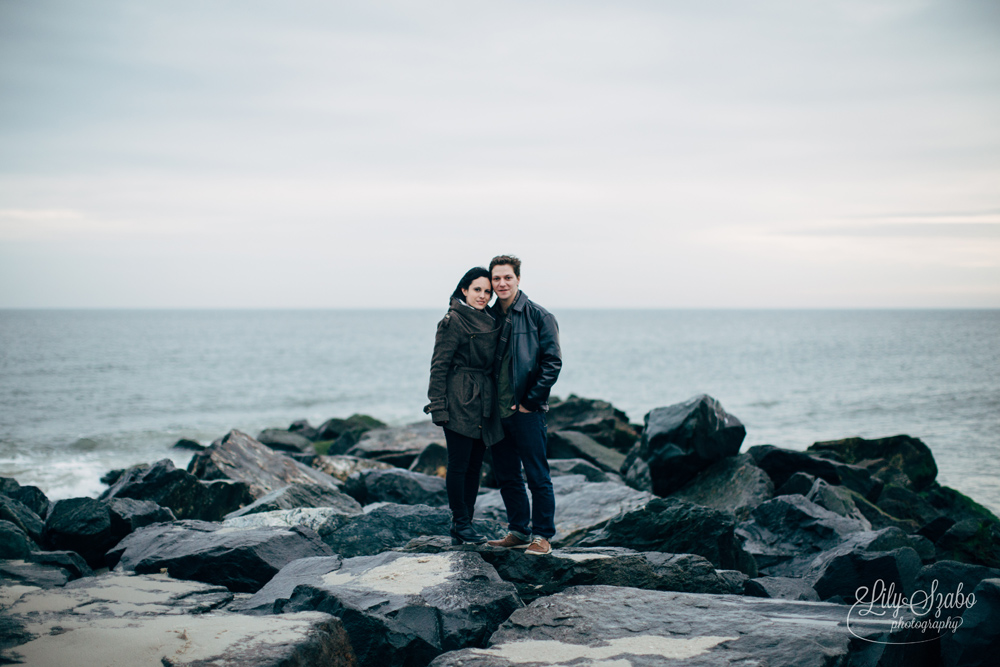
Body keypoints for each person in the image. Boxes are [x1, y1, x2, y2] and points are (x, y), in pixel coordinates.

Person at [485, 254, 562, 555]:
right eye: (496, 278)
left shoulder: (539, 316)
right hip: (496, 412)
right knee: (506, 475)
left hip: (527, 412)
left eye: (507, 277)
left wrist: (531, 402)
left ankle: (542, 536)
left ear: (518, 279)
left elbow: (552, 362)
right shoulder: (489, 317)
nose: (502, 283)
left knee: (537, 475)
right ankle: (519, 530)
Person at [424, 267, 504, 545]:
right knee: (458, 465)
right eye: (477, 290)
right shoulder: (453, 320)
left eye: (487, 291)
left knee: (474, 466)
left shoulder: (491, 318)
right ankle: (459, 522)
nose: (483, 296)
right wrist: (438, 407)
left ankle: (466, 523)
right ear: (464, 290)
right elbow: (439, 366)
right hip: (459, 398)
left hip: (484, 401)